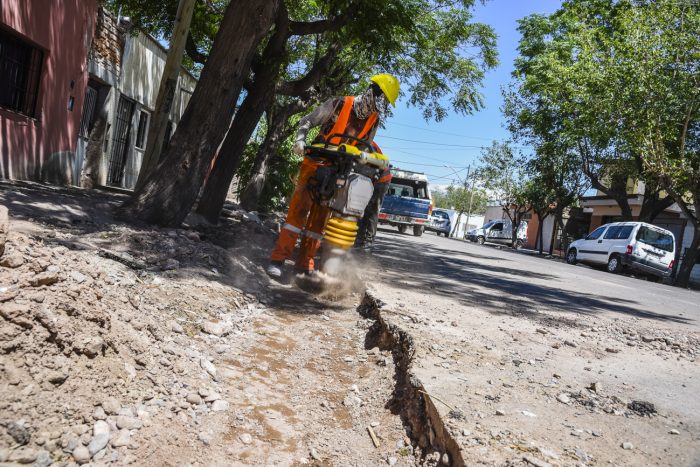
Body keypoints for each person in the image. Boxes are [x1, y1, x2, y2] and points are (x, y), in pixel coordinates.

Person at [267, 74, 400, 278]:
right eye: (381, 98)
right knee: (298, 212)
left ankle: (304, 264)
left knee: (321, 218)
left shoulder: (374, 120)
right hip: (315, 161)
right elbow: (306, 121)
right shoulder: (339, 103)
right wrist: (300, 141)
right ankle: (278, 259)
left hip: (339, 168)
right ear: (373, 92)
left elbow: (363, 147)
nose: (381, 105)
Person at [354, 143, 392, 250]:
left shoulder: (368, 145)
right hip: (369, 178)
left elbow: (372, 167)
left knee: (373, 209)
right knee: (362, 208)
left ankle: (369, 241)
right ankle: (359, 239)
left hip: (381, 180)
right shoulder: (354, 142)